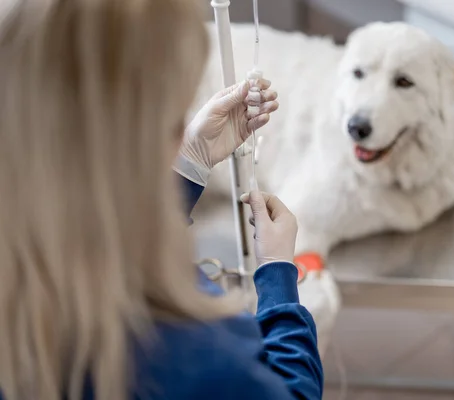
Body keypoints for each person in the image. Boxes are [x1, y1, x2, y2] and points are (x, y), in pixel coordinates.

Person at [0, 1, 323, 400]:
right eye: (172, 119)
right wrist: (277, 277)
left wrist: (190, 164)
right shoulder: (198, 355)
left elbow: (94, 219)